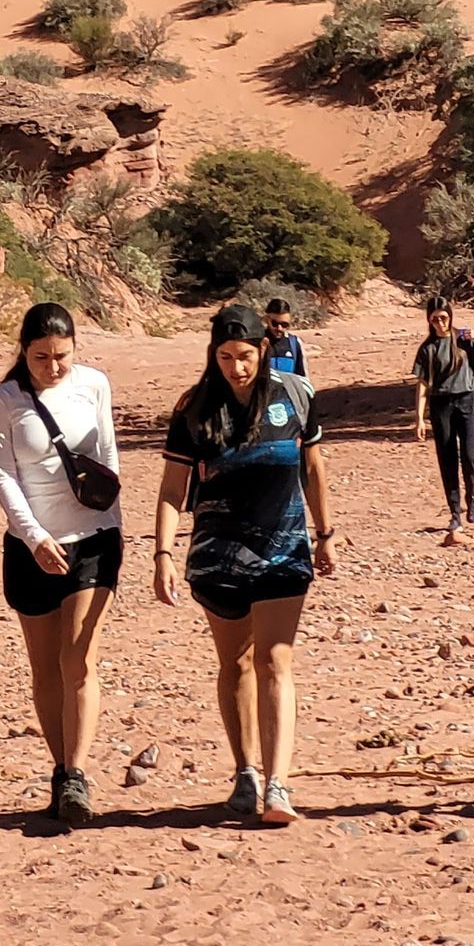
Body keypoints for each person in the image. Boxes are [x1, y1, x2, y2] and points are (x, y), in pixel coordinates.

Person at [153, 303, 335, 826]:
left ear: (263, 350)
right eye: (226, 357)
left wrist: (325, 534)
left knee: (275, 659)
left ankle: (278, 784)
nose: (236, 367)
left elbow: (313, 468)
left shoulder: (294, 395)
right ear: (213, 354)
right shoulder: (193, 408)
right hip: (218, 554)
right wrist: (163, 554)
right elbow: (172, 489)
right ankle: (245, 773)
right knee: (234, 662)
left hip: (284, 548)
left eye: (245, 356)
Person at [0, 303, 123, 828]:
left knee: (77, 658)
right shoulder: (5, 399)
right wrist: (34, 536)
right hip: (31, 547)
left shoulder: (94, 385)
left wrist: (112, 526)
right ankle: (62, 769)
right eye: (41, 357)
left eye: (61, 355)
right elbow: (3, 475)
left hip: (93, 539)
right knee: (44, 667)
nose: (53, 367)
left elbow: (108, 457)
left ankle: (77, 774)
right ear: (24, 352)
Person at [412, 297, 474, 545]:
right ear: (429, 320)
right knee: (447, 458)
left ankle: (472, 499)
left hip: (467, 400)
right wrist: (419, 418)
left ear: (450, 316)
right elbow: (422, 385)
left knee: (469, 454)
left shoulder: (463, 340)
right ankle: (455, 513)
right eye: (434, 319)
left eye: (443, 318)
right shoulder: (428, 349)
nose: (440, 323)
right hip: (441, 404)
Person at [261, 298, 310, 381]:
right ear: (266, 319)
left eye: (284, 324)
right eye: (275, 323)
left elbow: (303, 378)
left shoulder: (294, 344)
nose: (279, 328)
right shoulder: (257, 342)